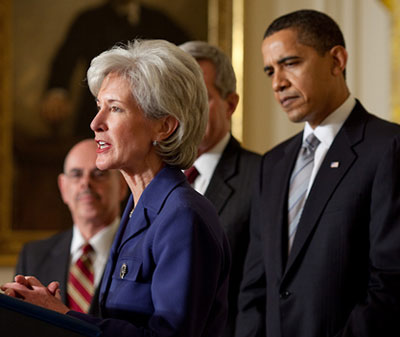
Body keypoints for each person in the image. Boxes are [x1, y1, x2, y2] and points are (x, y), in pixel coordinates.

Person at [3, 39, 231, 337]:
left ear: (164, 126)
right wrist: (48, 311)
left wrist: (63, 315)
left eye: (115, 108)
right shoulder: (137, 210)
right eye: (99, 107)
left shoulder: (183, 216)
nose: (96, 123)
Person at [235, 9, 400, 337]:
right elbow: (256, 286)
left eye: (291, 63)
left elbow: (390, 282)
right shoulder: (272, 164)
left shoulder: (389, 148)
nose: (278, 83)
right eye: (270, 71)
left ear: (337, 61)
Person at [179, 41, 261, 337]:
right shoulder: (152, 179)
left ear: (230, 104)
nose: (189, 110)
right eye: (180, 97)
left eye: (202, 97)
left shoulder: (263, 176)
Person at [41, 0, 191, 139]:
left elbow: (188, 57)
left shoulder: (159, 21)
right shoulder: (88, 20)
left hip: (145, 113)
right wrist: (57, 92)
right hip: (93, 111)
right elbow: (66, 59)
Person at [14, 138, 127, 316]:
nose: (86, 183)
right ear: (63, 187)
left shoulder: (142, 250)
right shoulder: (33, 256)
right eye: (76, 175)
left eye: (99, 174)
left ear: (122, 185)